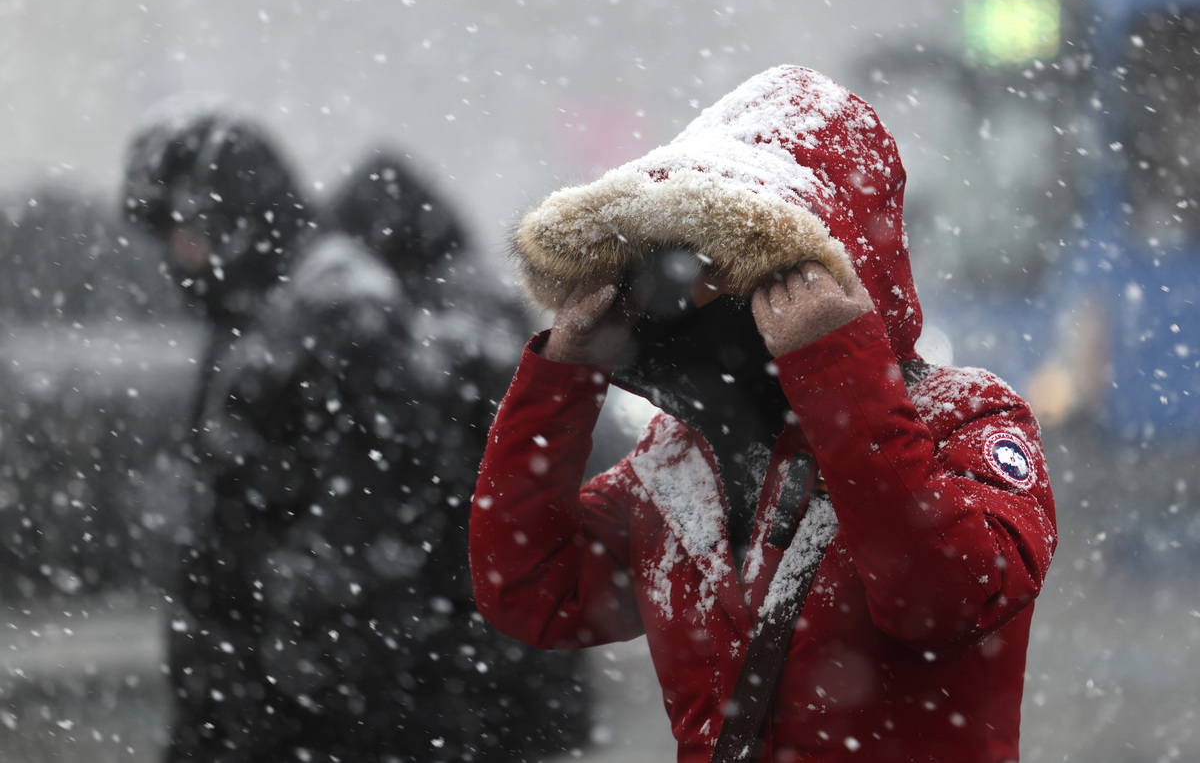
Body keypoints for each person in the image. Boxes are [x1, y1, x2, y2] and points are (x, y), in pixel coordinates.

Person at [471, 65, 1057, 762]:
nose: (695, 294)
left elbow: (944, 602)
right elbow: (531, 590)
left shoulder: (968, 420)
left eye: (726, 262)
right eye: (676, 267)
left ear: (817, 268)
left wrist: (836, 371)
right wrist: (564, 372)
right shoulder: (678, 462)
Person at [125, 106, 449, 762]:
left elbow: (373, 512)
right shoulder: (258, 309)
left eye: (182, 229)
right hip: (263, 691)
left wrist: (290, 651)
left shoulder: (339, 312)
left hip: (311, 706)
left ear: (233, 215)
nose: (177, 254)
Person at [328, 150, 592, 759]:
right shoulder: (484, 306)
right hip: (511, 610)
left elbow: (433, 471)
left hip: (460, 620)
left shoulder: (423, 328)